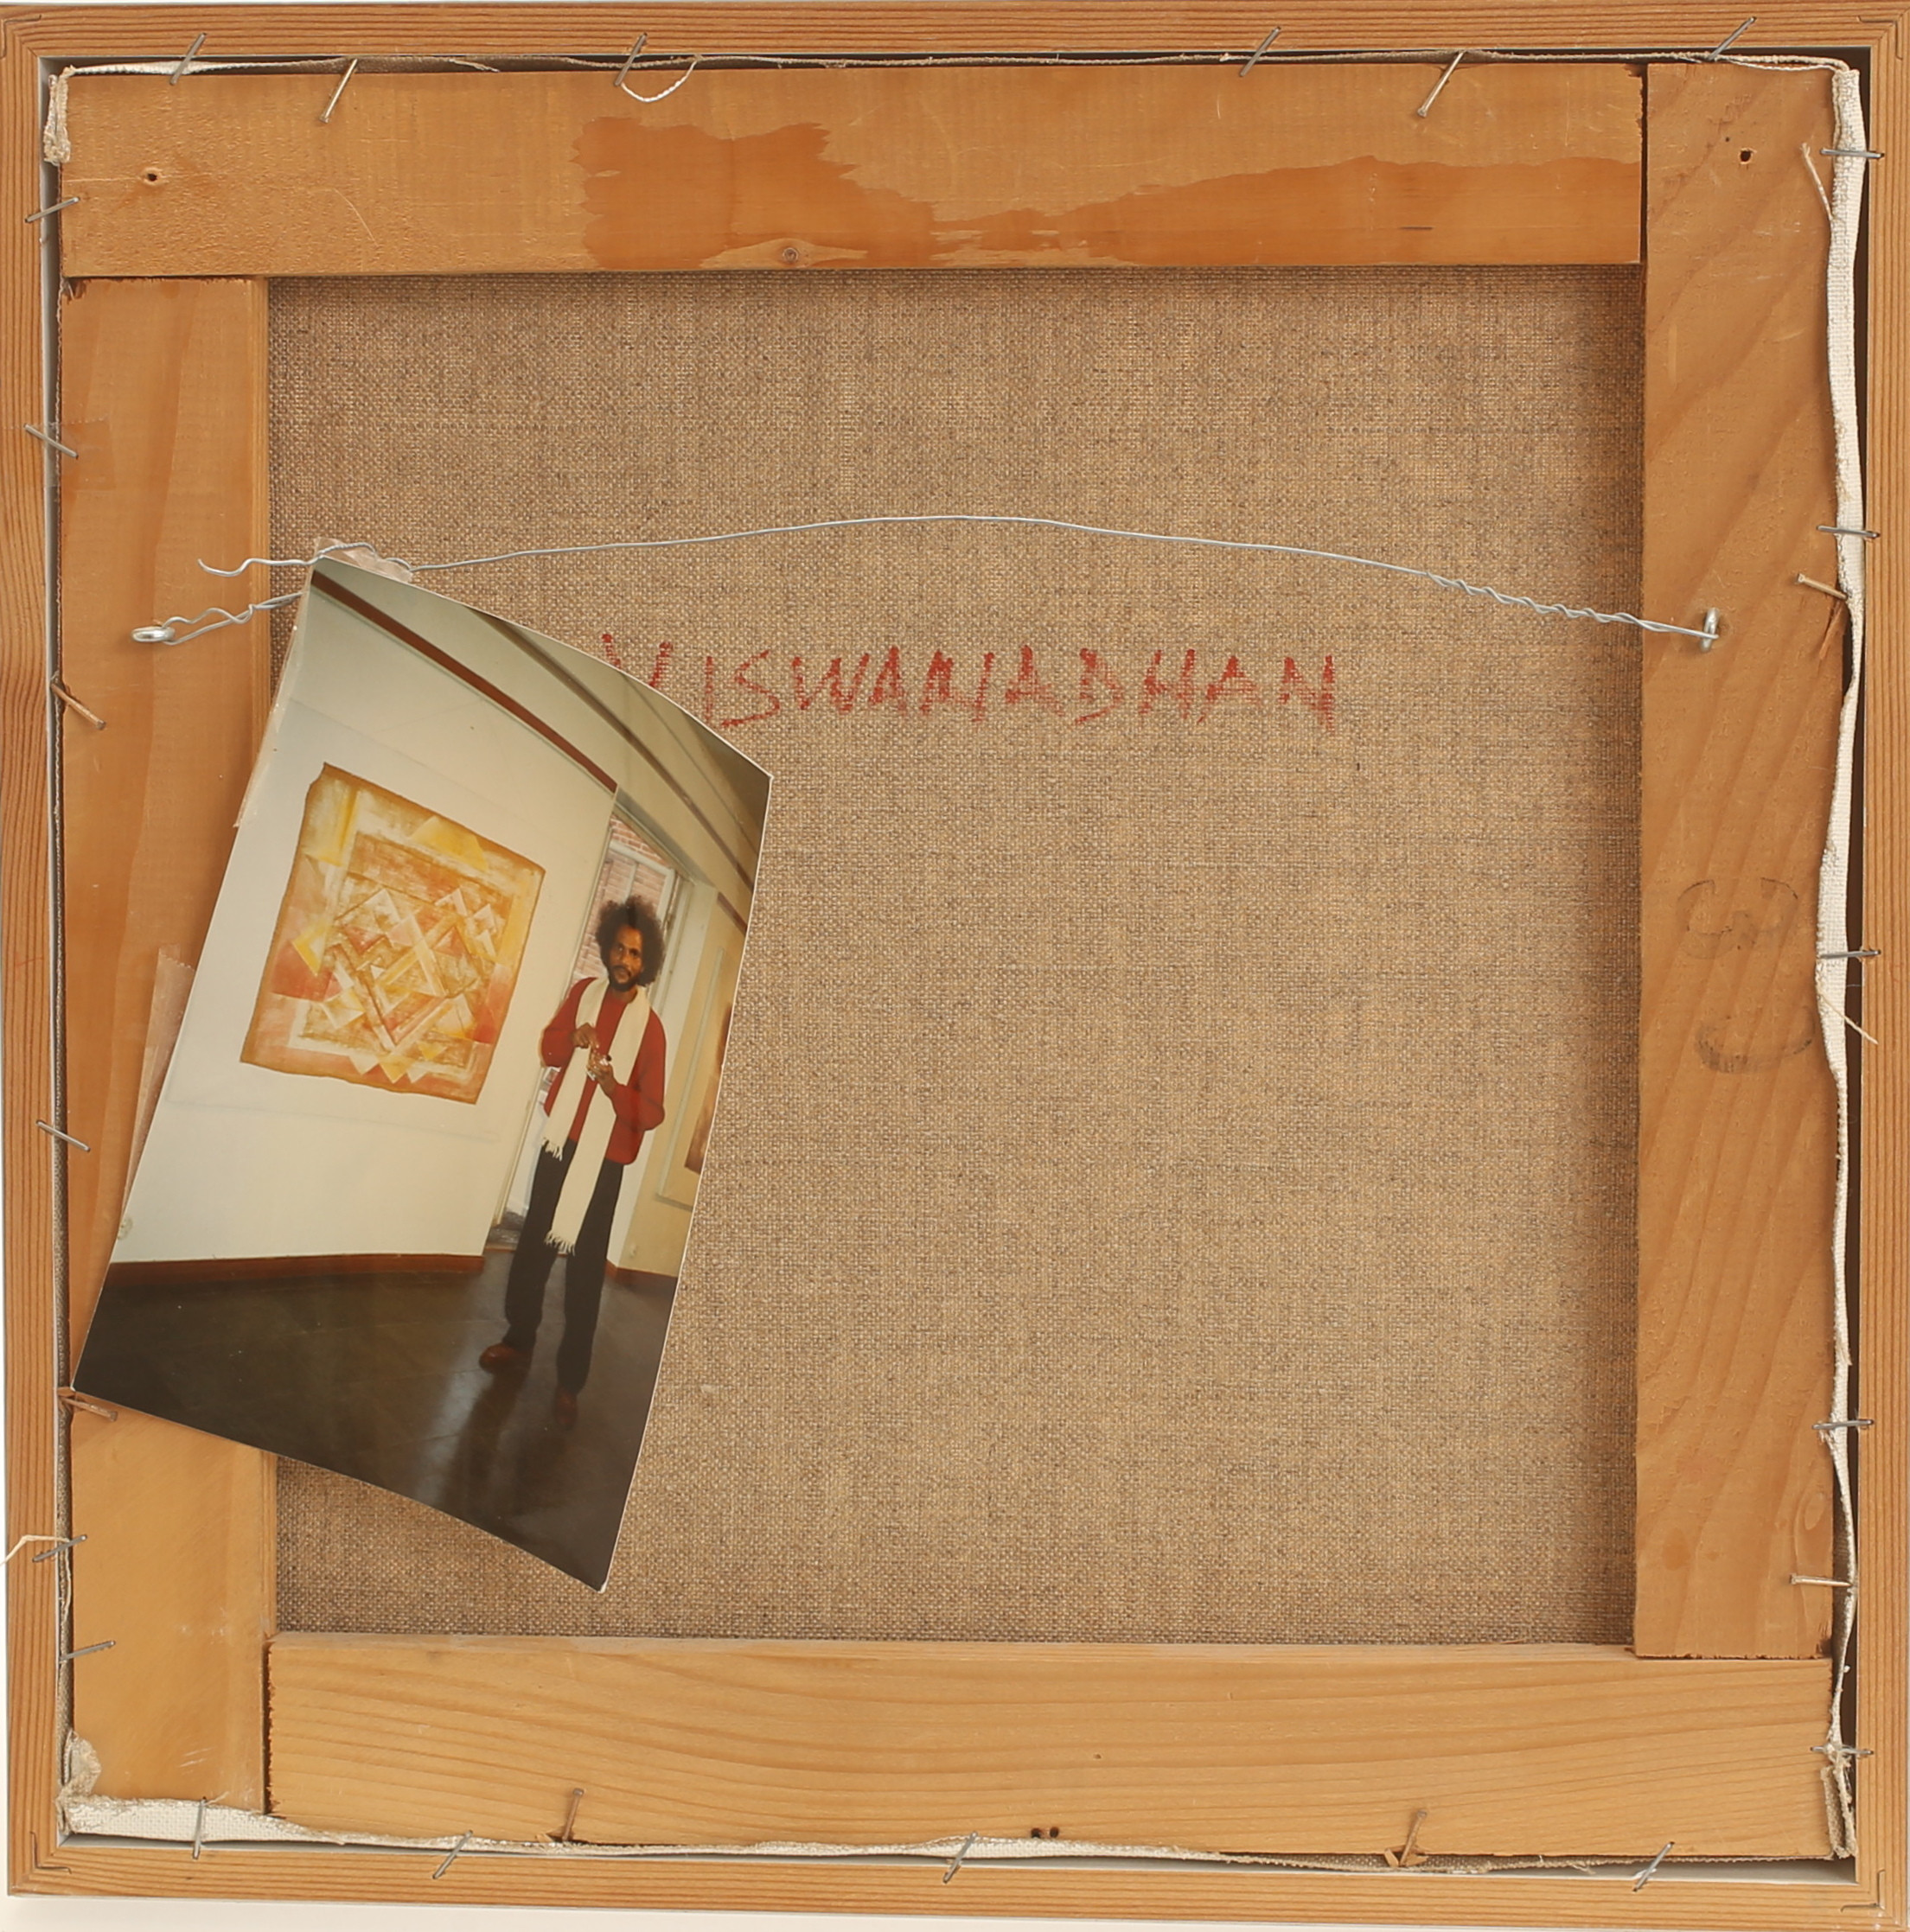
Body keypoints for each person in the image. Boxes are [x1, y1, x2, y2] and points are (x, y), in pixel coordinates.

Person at [480, 896, 668, 1428]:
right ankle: (518, 1340)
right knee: (532, 1251)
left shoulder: (651, 1030)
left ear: (647, 962)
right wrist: (573, 1037)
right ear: (607, 947)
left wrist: (613, 1088)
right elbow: (550, 1048)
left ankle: (569, 1382)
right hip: (559, 1147)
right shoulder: (584, 993)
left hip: (604, 1162)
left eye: (635, 953)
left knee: (585, 1276)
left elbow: (653, 1112)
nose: (624, 960)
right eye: (619, 948)